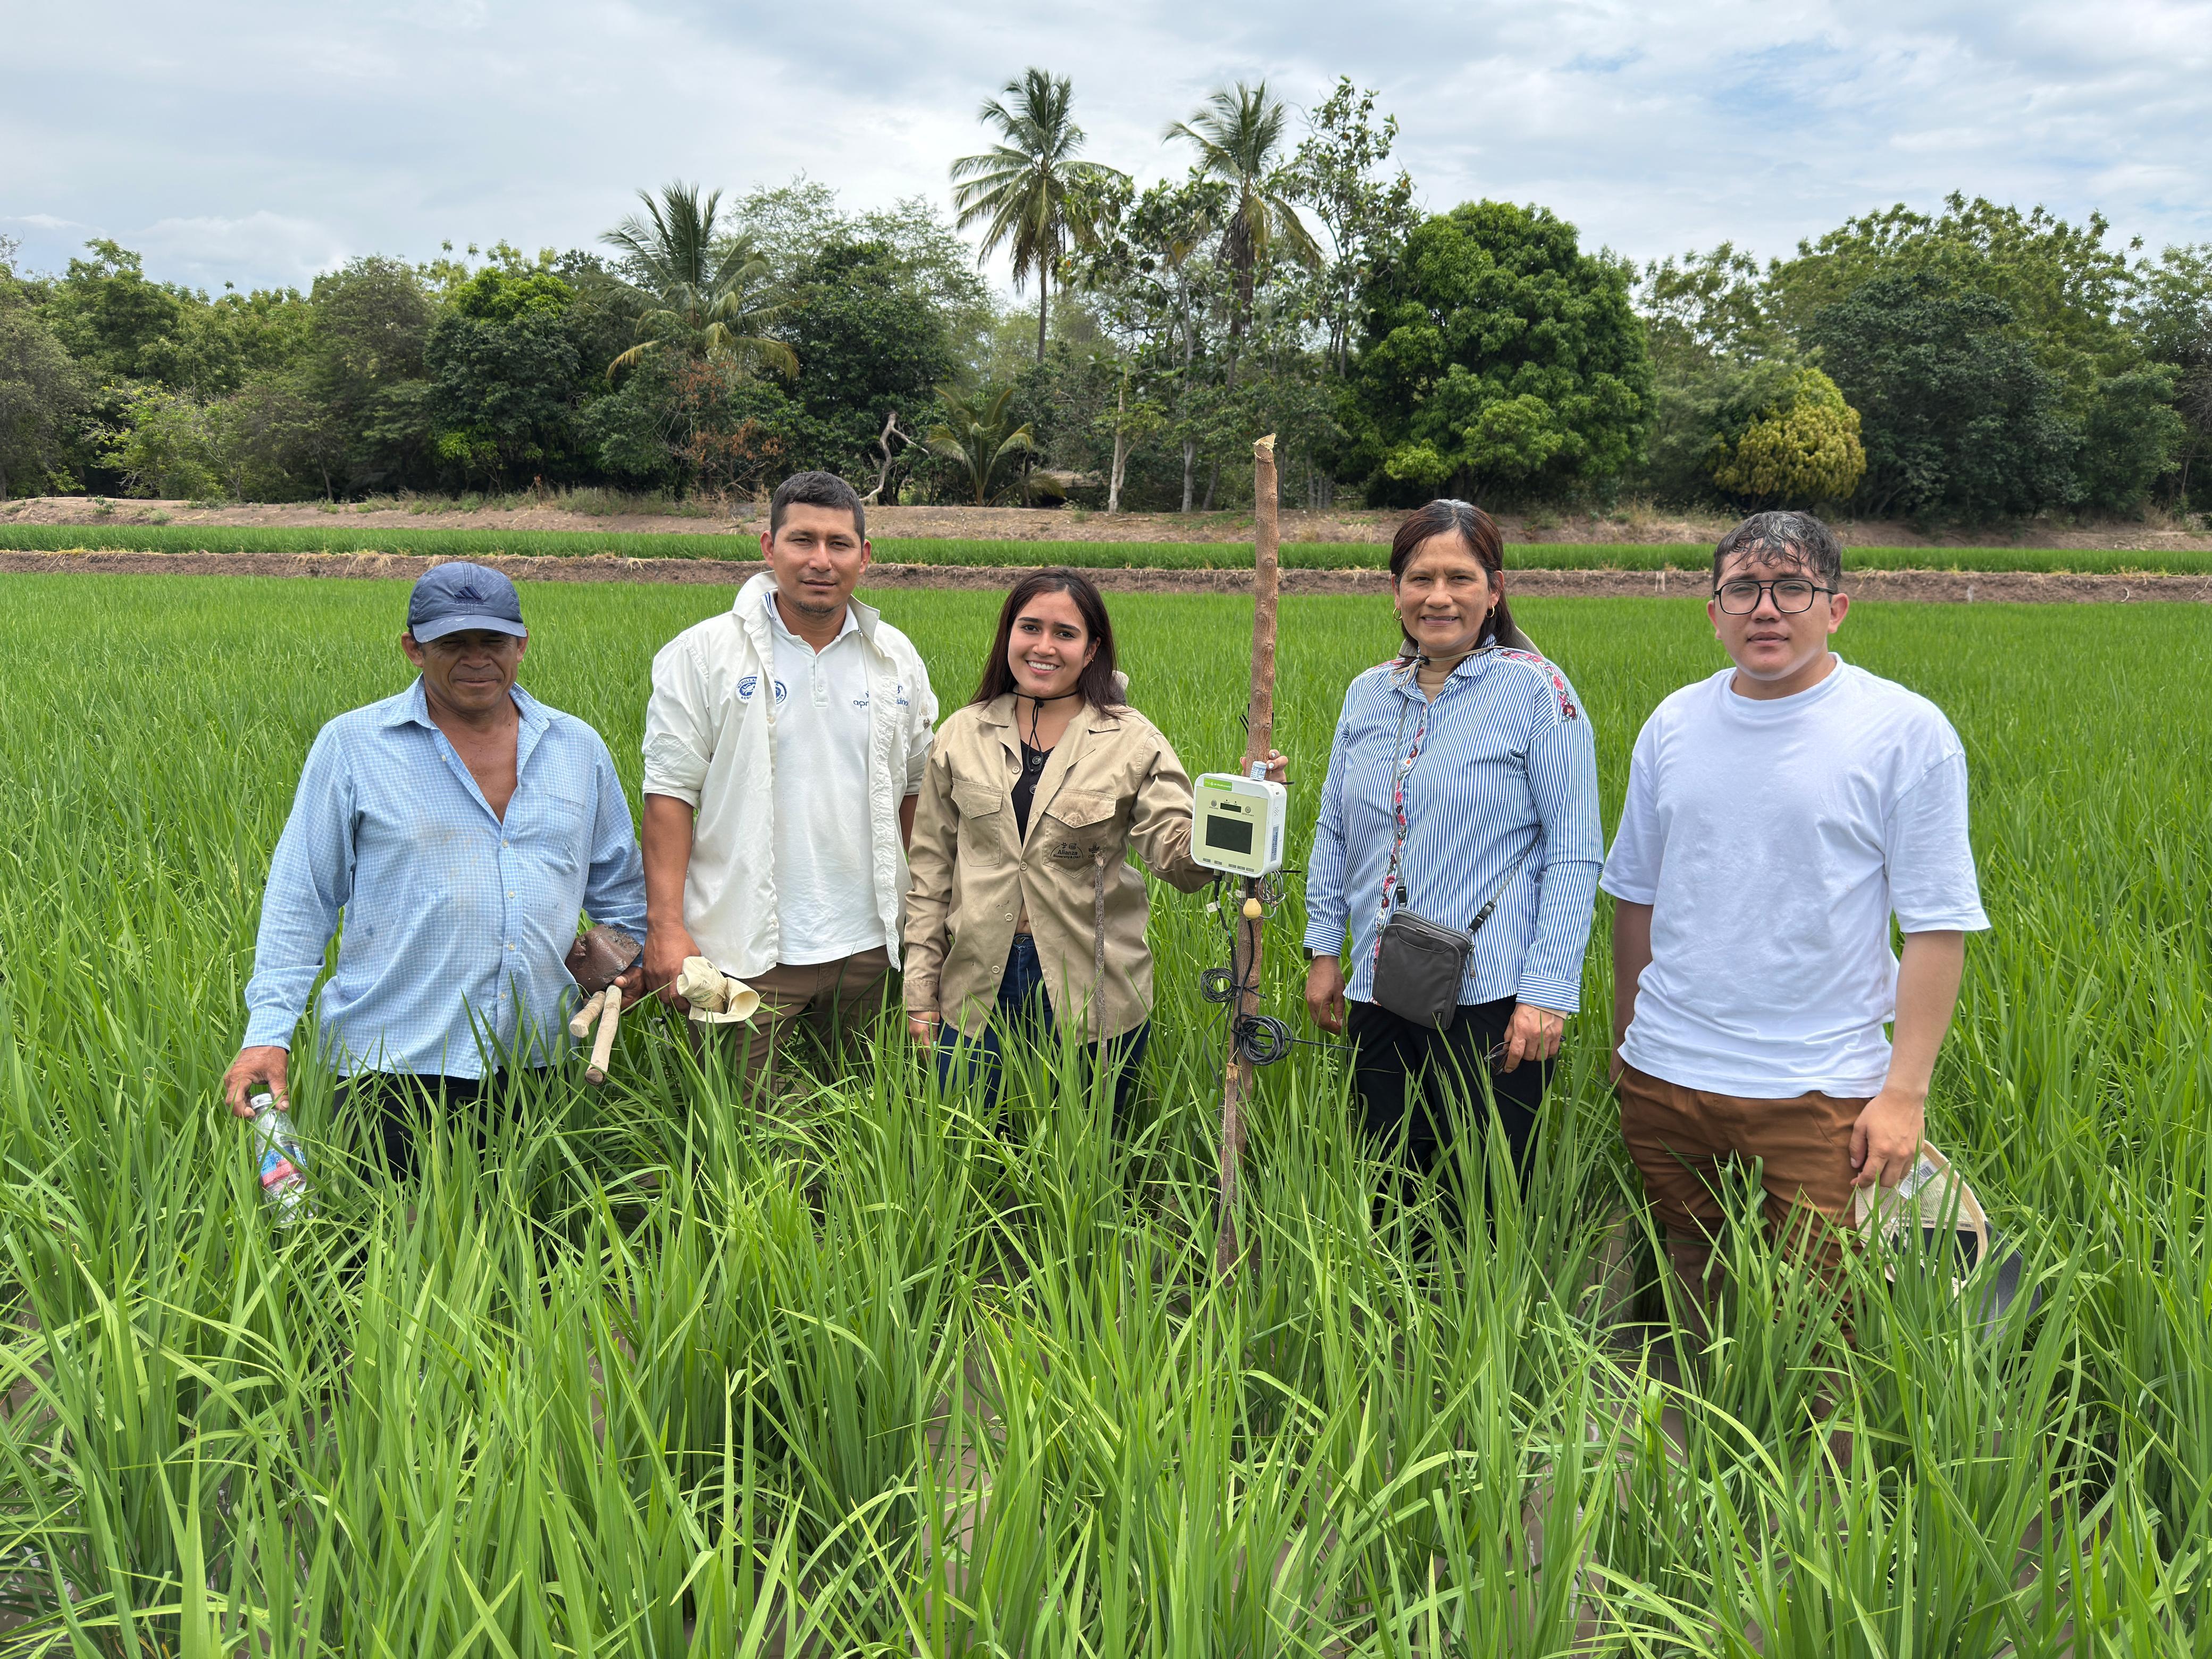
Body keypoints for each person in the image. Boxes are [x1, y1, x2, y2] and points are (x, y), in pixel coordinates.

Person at [1602, 510, 1989, 1327]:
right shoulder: (1673, 723)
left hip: (1820, 1092)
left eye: (1791, 588)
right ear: (1713, 613)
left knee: (1826, 1327)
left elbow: (1937, 926)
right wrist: (1628, 1039)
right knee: (1694, 1287)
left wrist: (1904, 1096)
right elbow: (1636, 895)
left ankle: (1822, 1458)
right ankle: (1703, 1438)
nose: (1766, 609)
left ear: (1836, 607)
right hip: (1667, 1079)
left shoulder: (1904, 733)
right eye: (1742, 589)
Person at [223, 563, 648, 1176]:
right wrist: (270, 1030)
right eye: (453, 643)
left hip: (541, 1060)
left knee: (535, 1245)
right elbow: (301, 898)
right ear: (413, 649)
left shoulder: (576, 748)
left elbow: (620, 888)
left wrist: (627, 963)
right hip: (391, 1063)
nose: (476, 658)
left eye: (493, 641)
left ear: (521, 644)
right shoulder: (352, 746)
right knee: (387, 1253)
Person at [903, 568, 1283, 1122]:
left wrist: (1240, 811)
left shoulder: (1132, 741)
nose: (1043, 646)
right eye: (1029, 627)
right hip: (973, 980)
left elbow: (1176, 857)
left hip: (1092, 984)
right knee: (966, 1143)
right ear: (1007, 633)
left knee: (1085, 1148)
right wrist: (920, 992)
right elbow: (930, 874)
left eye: (1064, 633)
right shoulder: (961, 734)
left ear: (1091, 649)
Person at [1303, 499, 1602, 1191]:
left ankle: (1483, 1306)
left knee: (1480, 1197)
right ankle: (1396, 1305)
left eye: (1460, 578)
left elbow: (1575, 848)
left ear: (1494, 591)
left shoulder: (1538, 692)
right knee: (1388, 1185)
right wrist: (1325, 954)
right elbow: (1335, 830)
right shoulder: (1369, 694)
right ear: (1396, 590)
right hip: (1380, 987)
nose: (1439, 596)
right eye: (1419, 578)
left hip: (1493, 999)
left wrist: (1547, 996)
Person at [641, 471, 938, 1095]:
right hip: (745, 949)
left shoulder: (895, 657)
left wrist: (926, 913)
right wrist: (667, 928)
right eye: (802, 540)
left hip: (870, 947)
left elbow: (914, 789)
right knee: (741, 1129)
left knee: (869, 1116)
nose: (820, 560)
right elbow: (670, 793)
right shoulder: (704, 655)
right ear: (767, 548)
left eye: (839, 543)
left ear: (865, 555)